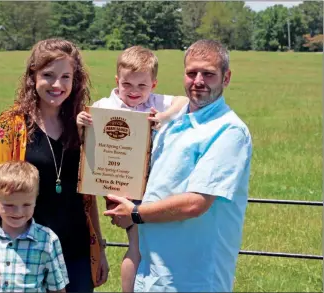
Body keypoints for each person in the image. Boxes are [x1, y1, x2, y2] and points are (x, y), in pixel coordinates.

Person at [104, 39, 253, 292]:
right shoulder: (170, 123)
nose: (198, 81)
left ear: (226, 78)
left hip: (192, 278)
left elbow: (196, 203)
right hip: (151, 275)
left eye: (208, 74)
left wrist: (135, 214)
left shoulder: (228, 131)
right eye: (191, 72)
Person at [0, 39, 108, 293]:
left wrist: (98, 246)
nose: (57, 85)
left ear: (74, 80)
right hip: (26, 251)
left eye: (65, 77)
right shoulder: (11, 125)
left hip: (76, 251)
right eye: (48, 75)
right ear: (32, 76)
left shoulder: (83, 124)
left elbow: (87, 195)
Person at [76, 46, 188, 292]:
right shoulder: (105, 106)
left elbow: (184, 101)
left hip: (154, 184)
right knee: (137, 245)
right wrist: (81, 122)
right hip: (121, 188)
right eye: (127, 85)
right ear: (117, 81)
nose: (134, 92)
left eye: (142, 86)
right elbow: (86, 141)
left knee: (152, 245)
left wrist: (164, 116)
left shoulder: (155, 102)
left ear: (154, 84)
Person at [0, 161, 68, 292]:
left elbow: (58, 289)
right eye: (9, 205)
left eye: (26, 205)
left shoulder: (48, 240)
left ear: (35, 200)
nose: (18, 212)